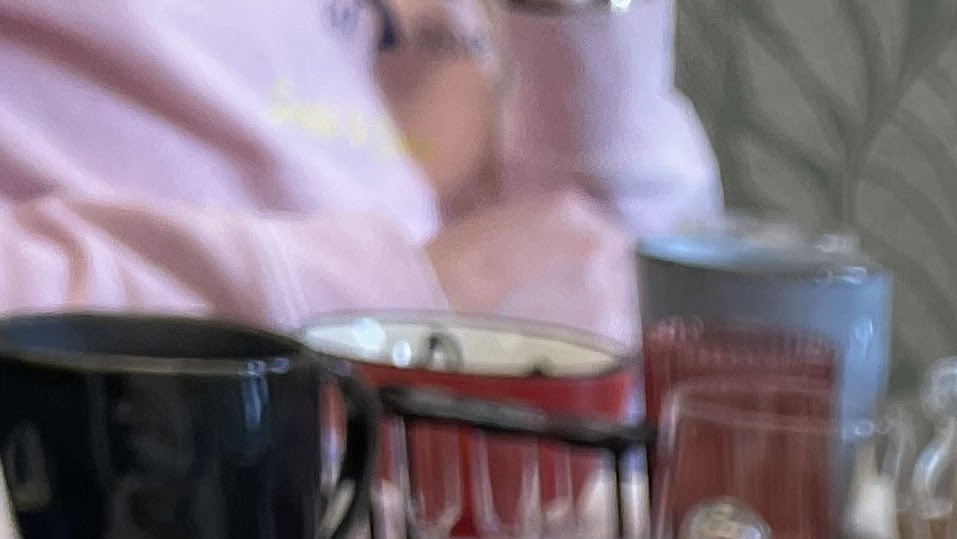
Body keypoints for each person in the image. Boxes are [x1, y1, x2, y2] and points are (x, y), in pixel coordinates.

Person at [0, 0, 716, 346]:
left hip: (494, 516)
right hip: (158, 518)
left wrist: (581, 21)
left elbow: (639, 280)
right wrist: (391, 307)